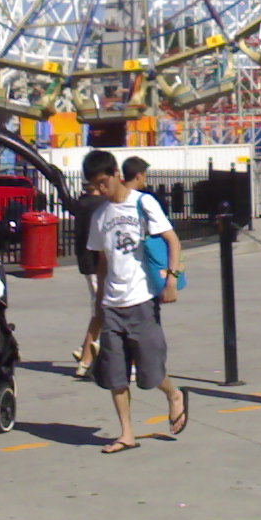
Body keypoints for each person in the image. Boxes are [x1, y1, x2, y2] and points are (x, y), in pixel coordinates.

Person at [84, 149, 189, 454]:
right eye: (95, 186)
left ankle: (173, 394)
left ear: (116, 174)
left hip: (142, 299)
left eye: (104, 182)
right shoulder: (100, 215)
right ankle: (126, 433)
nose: (101, 190)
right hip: (113, 303)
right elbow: (102, 260)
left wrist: (171, 278)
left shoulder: (143, 203)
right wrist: (100, 301)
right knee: (116, 373)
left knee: (150, 369)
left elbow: (172, 240)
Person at [71, 165, 110, 379]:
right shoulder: (100, 205)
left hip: (88, 263)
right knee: (102, 310)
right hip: (98, 264)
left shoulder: (82, 204)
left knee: (100, 308)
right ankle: (87, 354)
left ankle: (86, 352)